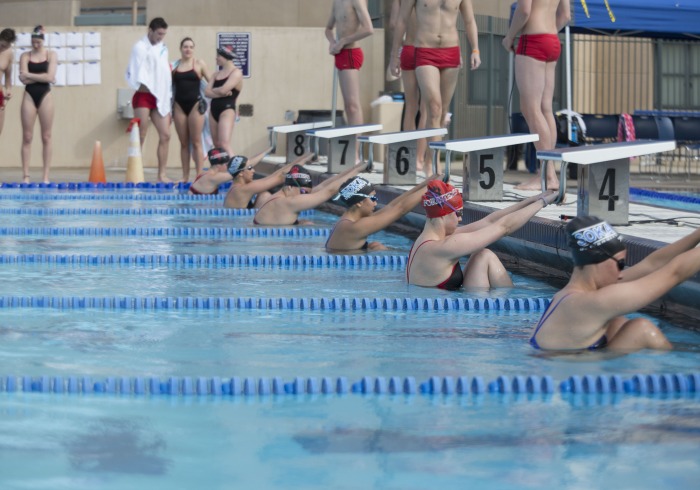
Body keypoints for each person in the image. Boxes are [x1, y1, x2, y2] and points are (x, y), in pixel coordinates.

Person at [529, 216, 700, 352]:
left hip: (574, 370)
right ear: (599, 261)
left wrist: (696, 234)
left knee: (617, 322)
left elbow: (651, 264)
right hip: (578, 385)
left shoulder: (569, 296)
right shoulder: (594, 303)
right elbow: (674, 273)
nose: (621, 274)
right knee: (641, 328)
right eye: (620, 264)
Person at [406, 180, 557, 289]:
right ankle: (506, 307)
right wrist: (542, 202)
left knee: (481, 255)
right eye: (458, 213)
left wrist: (533, 199)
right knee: (485, 256)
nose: (460, 218)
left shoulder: (427, 241)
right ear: (443, 215)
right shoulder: (443, 247)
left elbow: (489, 221)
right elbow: (504, 227)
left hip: (442, 319)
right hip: (447, 327)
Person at [390, 0, 480, 173]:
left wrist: (475, 49)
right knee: (434, 106)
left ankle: (431, 160)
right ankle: (431, 165)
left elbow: (469, 20)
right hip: (424, 51)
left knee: (443, 111)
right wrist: (395, 55)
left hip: (451, 51)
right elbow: (400, 21)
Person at [502, 0, 571, 191]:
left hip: (532, 42)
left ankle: (548, 175)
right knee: (545, 108)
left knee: (530, 109)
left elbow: (524, 10)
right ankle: (548, 173)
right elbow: (565, 15)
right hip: (552, 40)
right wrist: (548, 33)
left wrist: (509, 36)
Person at [325, 173, 439, 252]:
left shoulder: (349, 221)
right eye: (373, 199)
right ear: (359, 203)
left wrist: (427, 183)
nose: (375, 203)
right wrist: (435, 186)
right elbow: (400, 209)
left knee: (376, 246)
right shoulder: (355, 226)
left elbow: (391, 206)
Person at [325, 0, 374, 162]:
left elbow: (368, 29)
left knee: (353, 105)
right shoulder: (337, 2)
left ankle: (356, 152)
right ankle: (353, 149)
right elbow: (328, 29)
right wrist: (333, 42)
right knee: (347, 105)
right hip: (340, 54)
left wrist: (344, 40)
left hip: (351, 53)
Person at [126, 17, 172, 183]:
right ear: (150, 31)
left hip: (159, 97)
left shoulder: (162, 48)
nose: (161, 37)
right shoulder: (139, 47)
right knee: (141, 135)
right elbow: (135, 70)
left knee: (165, 135)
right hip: (144, 96)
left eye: (163, 34)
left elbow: (163, 72)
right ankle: (134, 174)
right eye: (159, 33)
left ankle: (162, 175)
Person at [253, 161, 368, 226]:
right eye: (303, 192)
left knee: (307, 223)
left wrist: (354, 168)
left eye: (306, 193)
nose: (304, 196)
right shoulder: (288, 202)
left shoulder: (284, 195)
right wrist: (357, 172)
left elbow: (323, 186)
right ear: (289, 186)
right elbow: (329, 191)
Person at [387, 0, 428, 175]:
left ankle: (409, 156)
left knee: (411, 107)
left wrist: (395, 52)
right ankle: (419, 158)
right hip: (427, 47)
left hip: (408, 47)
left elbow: (394, 23)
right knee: (426, 109)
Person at [19, 26, 56, 184]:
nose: (35, 45)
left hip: (45, 96)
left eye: (38, 42)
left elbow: (51, 77)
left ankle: (45, 176)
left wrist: (29, 74)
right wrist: (43, 77)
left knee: (46, 136)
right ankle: (26, 176)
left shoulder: (51, 55)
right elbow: (23, 80)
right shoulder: (24, 56)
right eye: (33, 42)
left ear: (43, 41)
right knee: (27, 137)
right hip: (29, 96)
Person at [172, 37, 211, 182]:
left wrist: (223, 91)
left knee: (196, 142)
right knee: (183, 143)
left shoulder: (199, 64)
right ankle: (185, 176)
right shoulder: (175, 66)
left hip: (195, 105)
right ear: (181, 49)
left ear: (193, 49)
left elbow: (211, 81)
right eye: (185, 47)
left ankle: (199, 175)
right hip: (179, 106)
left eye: (190, 47)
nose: (188, 49)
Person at [224, 150, 315, 210]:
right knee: (265, 196)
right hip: (241, 225)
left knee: (264, 194)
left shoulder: (238, 186)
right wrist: (305, 160)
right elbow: (279, 177)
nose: (253, 170)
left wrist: (303, 157)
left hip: (240, 222)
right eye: (250, 168)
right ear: (240, 173)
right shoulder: (244, 189)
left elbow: (274, 175)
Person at [204, 46, 242, 158]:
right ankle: (222, 171)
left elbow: (223, 90)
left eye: (218, 56)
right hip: (213, 111)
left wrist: (217, 91)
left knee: (224, 144)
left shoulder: (236, 73)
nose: (216, 58)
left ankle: (238, 171)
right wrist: (220, 91)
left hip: (227, 110)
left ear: (226, 57)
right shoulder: (215, 75)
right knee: (217, 145)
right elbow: (206, 92)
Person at [0, 28, 16, 139]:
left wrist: (9, 89)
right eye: (2, 45)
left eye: (6, 46)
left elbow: (8, 76)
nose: (3, 48)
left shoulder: (9, 53)